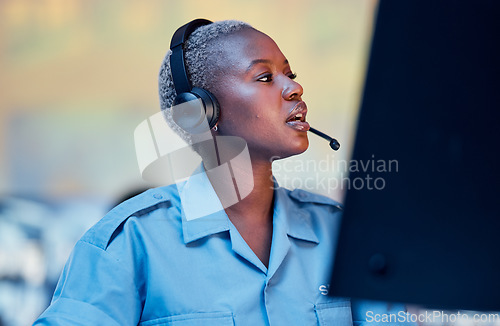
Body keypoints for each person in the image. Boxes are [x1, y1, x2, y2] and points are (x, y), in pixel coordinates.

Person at [34, 19, 409, 325]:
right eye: (265, 78)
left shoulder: (340, 234)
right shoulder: (129, 243)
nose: (294, 88)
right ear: (197, 113)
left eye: (290, 74)